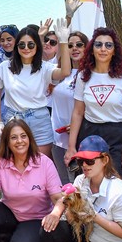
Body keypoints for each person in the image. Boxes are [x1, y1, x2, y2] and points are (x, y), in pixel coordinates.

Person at [66, 28, 122, 184]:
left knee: (117, 181)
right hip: (90, 133)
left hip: (118, 134)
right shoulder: (83, 75)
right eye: (98, 44)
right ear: (91, 49)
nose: (103, 49)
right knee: (89, 181)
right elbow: (78, 112)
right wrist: (71, 147)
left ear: (114, 51)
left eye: (108, 45)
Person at [0, 21, 72, 158]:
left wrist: (63, 41)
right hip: (13, 118)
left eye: (31, 44)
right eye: (22, 45)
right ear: (17, 47)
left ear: (37, 47)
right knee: (15, 164)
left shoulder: (44, 68)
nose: (26, 48)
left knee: (40, 164)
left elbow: (65, 71)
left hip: (39, 119)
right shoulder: (5, 67)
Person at [49, 31, 88, 183]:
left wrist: (80, 123)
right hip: (57, 137)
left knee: (81, 183)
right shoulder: (59, 73)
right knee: (64, 182)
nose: (74, 48)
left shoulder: (91, 74)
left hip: (81, 136)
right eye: (70, 45)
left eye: (79, 44)